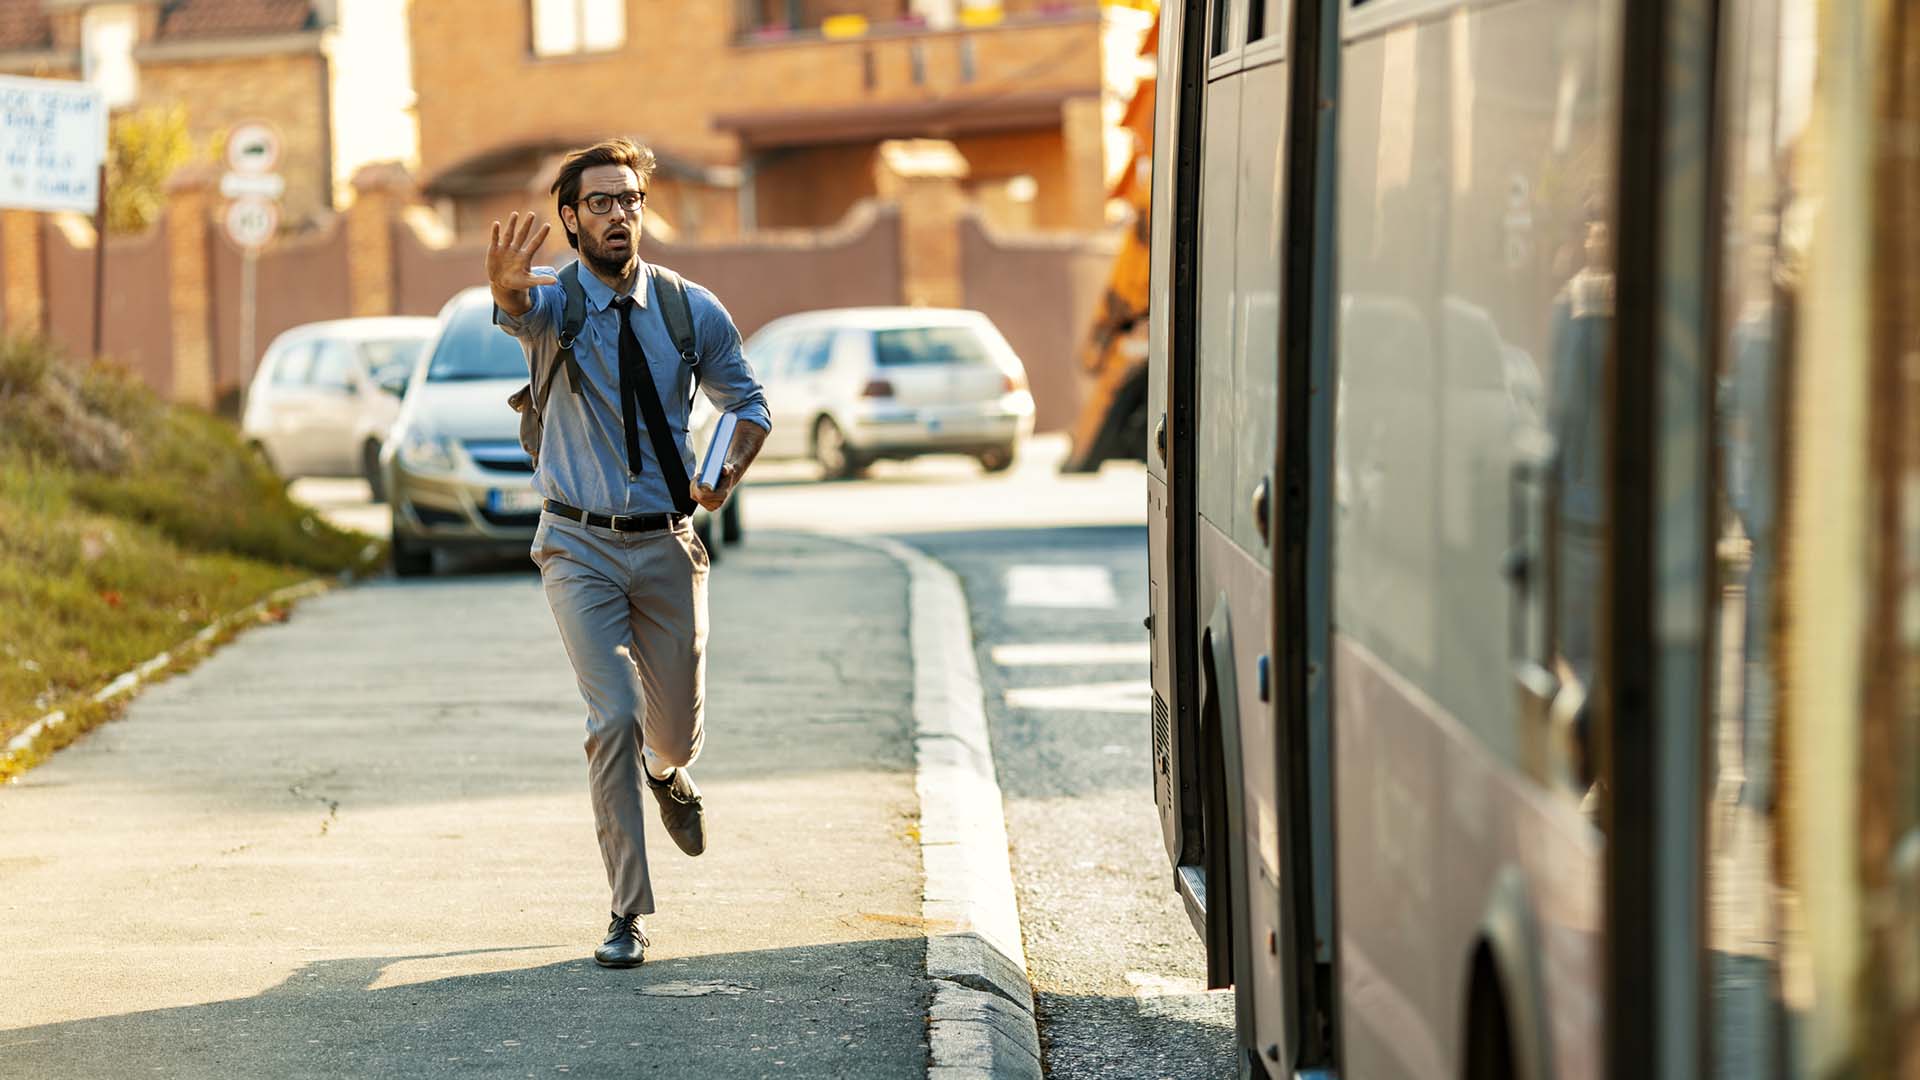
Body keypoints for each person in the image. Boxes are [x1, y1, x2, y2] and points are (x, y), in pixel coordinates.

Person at [487, 138, 770, 968]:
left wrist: (724, 470)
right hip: (576, 543)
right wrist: (503, 285)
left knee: (673, 732)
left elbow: (746, 400)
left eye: (631, 200)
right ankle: (625, 911)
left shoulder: (688, 309)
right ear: (570, 219)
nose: (619, 215)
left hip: (669, 544)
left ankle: (666, 769)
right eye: (601, 202)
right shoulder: (553, 306)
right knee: (610, 713)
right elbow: (512, 306)